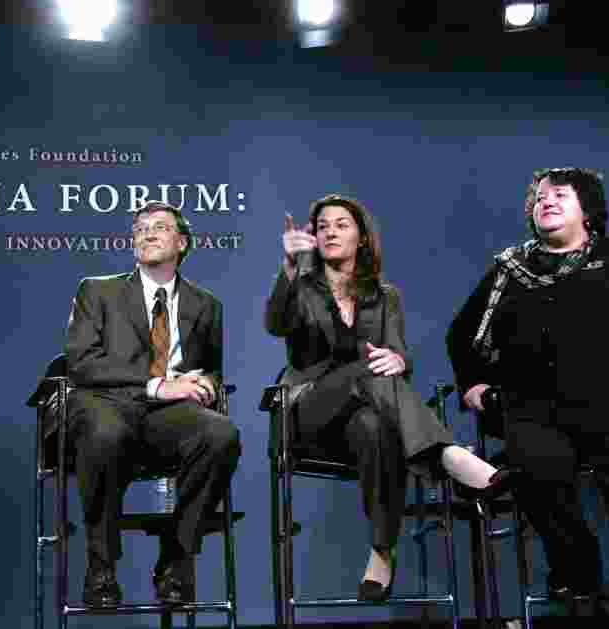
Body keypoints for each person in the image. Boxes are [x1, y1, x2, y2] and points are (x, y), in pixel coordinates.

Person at [446, 167, 609, 627]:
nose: (545, 202)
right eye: (540, 197)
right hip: (536, 413)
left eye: (559, 195)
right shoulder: (511, 273)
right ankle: (578, 572)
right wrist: (473, 383)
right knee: (533, 472)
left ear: (588, 209)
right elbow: (463, 334)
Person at [266, 193, 515, 601]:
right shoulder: (302, 288)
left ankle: (382, 551)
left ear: (362, 238)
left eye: (341, 224)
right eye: (323, 225)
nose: (330, 231)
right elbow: (277, 323)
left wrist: (399, 360)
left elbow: (398, 358)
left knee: (374, 425)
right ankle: (448, 455)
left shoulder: (385, 296)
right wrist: (290, 270)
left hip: (359, 422)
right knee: (366, 370)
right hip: (309, 414)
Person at [58, 200, 241, 607]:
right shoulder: (98, 290)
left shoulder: (207, 305)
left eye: (159, 227)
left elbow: (209, 367)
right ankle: (101, 565)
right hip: (106, 403)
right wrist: (157, 384)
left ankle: (176, 559)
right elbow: (82, 362)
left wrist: (206, 384)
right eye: (140, 229)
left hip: (165, 419)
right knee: (105, 433)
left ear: (182, 242)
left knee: (219, 433)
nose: (148, 233)